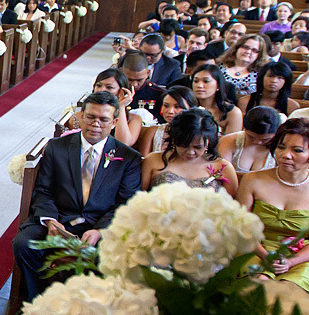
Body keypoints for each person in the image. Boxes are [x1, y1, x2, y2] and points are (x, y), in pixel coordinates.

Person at [12, 91, 142, 302]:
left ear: (115, 122)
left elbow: (125, 203)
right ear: (81, 116)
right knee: (24, 243)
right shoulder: (57, 147)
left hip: (98, 224)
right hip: (59, 219)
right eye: (90, 117)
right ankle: (39, 301)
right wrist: (51, 222)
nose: (95, 124)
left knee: (107, 256)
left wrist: (100, 231)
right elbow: (43, 190)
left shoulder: (128, 158)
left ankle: (85, 308)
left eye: (103, 119)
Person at [236, 118, 309, 294]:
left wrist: (291, 262)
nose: (285, 155)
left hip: (301, 258)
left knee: (288, 290)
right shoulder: (252, 180)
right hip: (255, 249)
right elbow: (241, 228)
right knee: (261, 285)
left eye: (297, 150)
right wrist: (265, 256)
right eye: (281, 147)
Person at [142, 108, 238, 195]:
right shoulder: (153, 161)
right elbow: (139, 199)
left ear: (209, 143)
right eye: (184, 145)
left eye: (198, 147)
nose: (190, 152)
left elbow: (230, 207)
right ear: (175, 139)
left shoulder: (223, 167)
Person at [218, 106, 281, 179]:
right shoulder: (228, 141)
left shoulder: (281, 147)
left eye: (265, 139)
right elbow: (223, 172)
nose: (257, 142)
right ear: (244, 129)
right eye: (251, 137)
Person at [134, 86, 198, 156]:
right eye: (166, 106)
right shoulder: (153, 131)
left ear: (191, 109)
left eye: (177, 107)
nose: (170, 111)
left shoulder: (198, 134)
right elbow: (144, 161)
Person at [192, 64, 242, 134]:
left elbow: (232, 142)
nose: (199, 85)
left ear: (218, 85)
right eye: (196, 81)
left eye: (206, 81)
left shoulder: (233, 112)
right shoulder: (186, 107)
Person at [217, 33, 268, 98]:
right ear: (237, 48)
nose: (248, 52)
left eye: (254, 50)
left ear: (259, 55)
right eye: (245, 47)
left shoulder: (262, 73)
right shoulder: (219, 67)